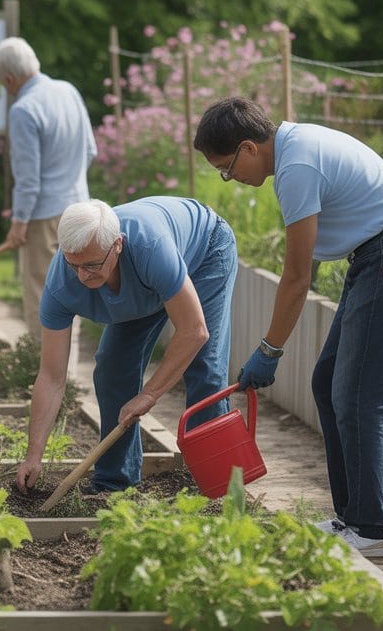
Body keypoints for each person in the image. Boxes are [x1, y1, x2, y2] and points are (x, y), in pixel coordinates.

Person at [193, 96, 383, 559]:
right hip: (380, 253)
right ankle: (351, 518)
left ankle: (370, 530)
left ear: (248, 148)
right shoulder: (295, 149)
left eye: (226, 168)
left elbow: (296, 276)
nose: (230, 178)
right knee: (328, 383)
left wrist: (269, 350)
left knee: (359, 396)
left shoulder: (296, 166)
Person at [14, 197, 237, 494]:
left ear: (117, 244)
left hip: (203, 252)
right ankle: (115, 483)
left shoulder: (150, 248)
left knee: (204, 368)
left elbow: (194, 331)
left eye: (92, 265)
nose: (82, 275)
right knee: (112, 369)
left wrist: (149, 394)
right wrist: (34, 455)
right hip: (146, 281)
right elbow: (51, 377)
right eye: (74, 264)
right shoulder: (61, 286)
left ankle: (219, 486)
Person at [0, 37, 96, 337]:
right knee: (73, 291)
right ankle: (68, 377)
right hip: (80, 209)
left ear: (9, 79)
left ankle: (46, 376)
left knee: (42, 296)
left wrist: (19, 222)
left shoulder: (23, 109)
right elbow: (90, 150)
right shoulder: (68, 91)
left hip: (43, 216)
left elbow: (28, 179)